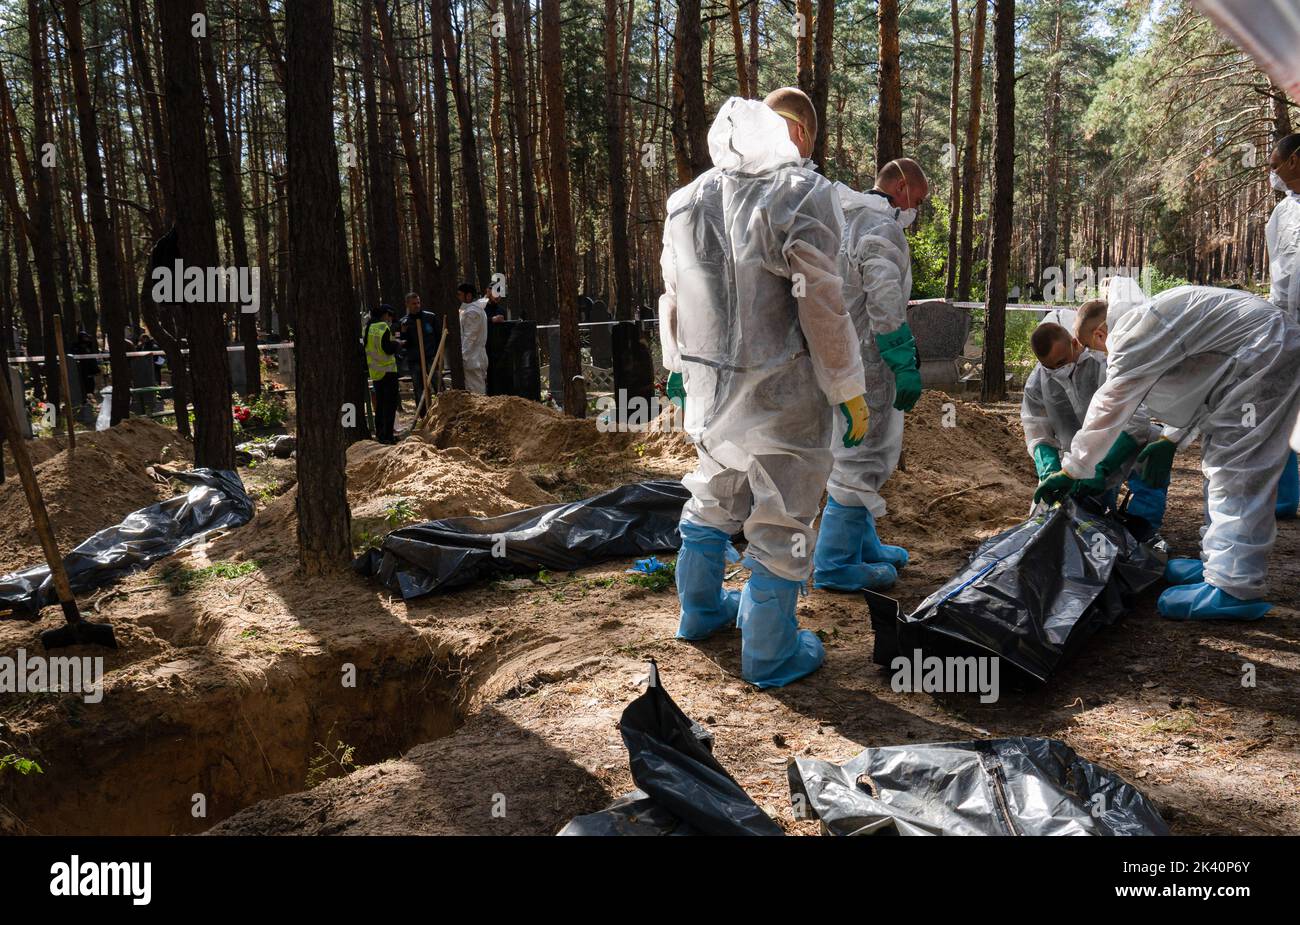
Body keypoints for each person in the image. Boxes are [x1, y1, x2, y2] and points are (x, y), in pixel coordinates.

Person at [660, 89, 869, 688]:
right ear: (799, 132)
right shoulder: (802, 192)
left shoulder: (686, 200)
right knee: (785, 508)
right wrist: (846, 385)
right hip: (784, 386)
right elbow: (821, 298)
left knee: (713, 489)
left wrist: (677, 366)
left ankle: (700, 611)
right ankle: (771, 651)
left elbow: (673, 292)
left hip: (711, 384)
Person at [1036, 286, 1300, 620]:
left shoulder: (1131, 333)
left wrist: (1072, 468)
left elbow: (1112, 403)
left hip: (1262, 355)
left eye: (1094, 347)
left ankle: (1235, 587)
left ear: (1101, 332)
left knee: (1236, 471)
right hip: (1258, 352)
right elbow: (1196, 377)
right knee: (1220, 464)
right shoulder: (1151, 319)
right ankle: (1216, 563)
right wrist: (1171, 438)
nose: (1102, 355)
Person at [812, 160, 928, 593]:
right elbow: (882, 295)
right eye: (916, 200)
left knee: (848, 449)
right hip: (868, 360)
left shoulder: (842, 218)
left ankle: (861, 545)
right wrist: (901, 357)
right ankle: (836, 563)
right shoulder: (881, 226)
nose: (915, 210)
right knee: (861, 458)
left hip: (835, 357)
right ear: (900, 187)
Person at [1021, 302, 1167, 535]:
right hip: (1076, 458)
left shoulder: (1106, 360)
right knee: (1080, 522)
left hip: (1121, 445)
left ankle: (1143, 530)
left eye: (1061, 362)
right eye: (1049, 366)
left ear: (1075, 342)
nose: (1056, 370)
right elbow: (1037, 430)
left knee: (1151, 446)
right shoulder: (1038, 381)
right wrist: (1051, 471)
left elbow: (1135, 420)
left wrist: (1102, 467)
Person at [1265, 133, 1300, 519]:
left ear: (1296, 160)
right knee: (1282, 408)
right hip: (1287, 325)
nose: (1272, 174)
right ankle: (1286, 497)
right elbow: (1279, 270)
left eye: (1276, 166)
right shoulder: (1282, 214)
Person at [365, 304, 401, 444]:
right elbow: (387, 348)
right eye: (389, 315)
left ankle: (380, 434)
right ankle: (388, 436)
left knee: (380, 405)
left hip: (375, 371)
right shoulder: (382, 327)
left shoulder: (367, 328)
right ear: (385, 315)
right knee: (390, 405)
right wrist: (397, 344)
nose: (390, 318)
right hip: (388, 370)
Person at [398, 291, 439, 408]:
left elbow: (438, 336)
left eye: (418, 303)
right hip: (415, 360)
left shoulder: (430, 317)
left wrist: (436, 354)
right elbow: (401, 343)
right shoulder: (403, 323)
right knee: (419, 389)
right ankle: (423, 415)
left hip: (430, 357)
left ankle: (444, 412)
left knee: (438, 385)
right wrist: (404, 332)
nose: (417, 305)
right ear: (407, 305)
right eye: (413, 304)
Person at [456, 283, 489, 394]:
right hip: (474, 355)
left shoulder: (472, 312)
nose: (459, 297)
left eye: (460, 295)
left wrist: (463, 355)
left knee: (476, 391)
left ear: (468, 296)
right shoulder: (473, 310)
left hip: (472, 357)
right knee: (475, 389)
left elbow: (470, 337)